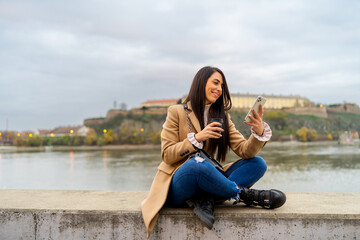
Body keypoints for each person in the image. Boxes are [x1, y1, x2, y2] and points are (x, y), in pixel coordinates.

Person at [141, 66, 286, 238]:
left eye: (222, 86)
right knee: (196, 165)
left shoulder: (222, 116)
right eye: (215, 83)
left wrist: (259, 133)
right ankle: (243, 194)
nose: (219, 89)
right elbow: (167, 154)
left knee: (257, 163)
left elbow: (244, 150)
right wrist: (197, 138)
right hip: (180, 183)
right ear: (201, 83)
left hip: (208, 177)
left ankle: (208, 198)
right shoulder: (177, 112)